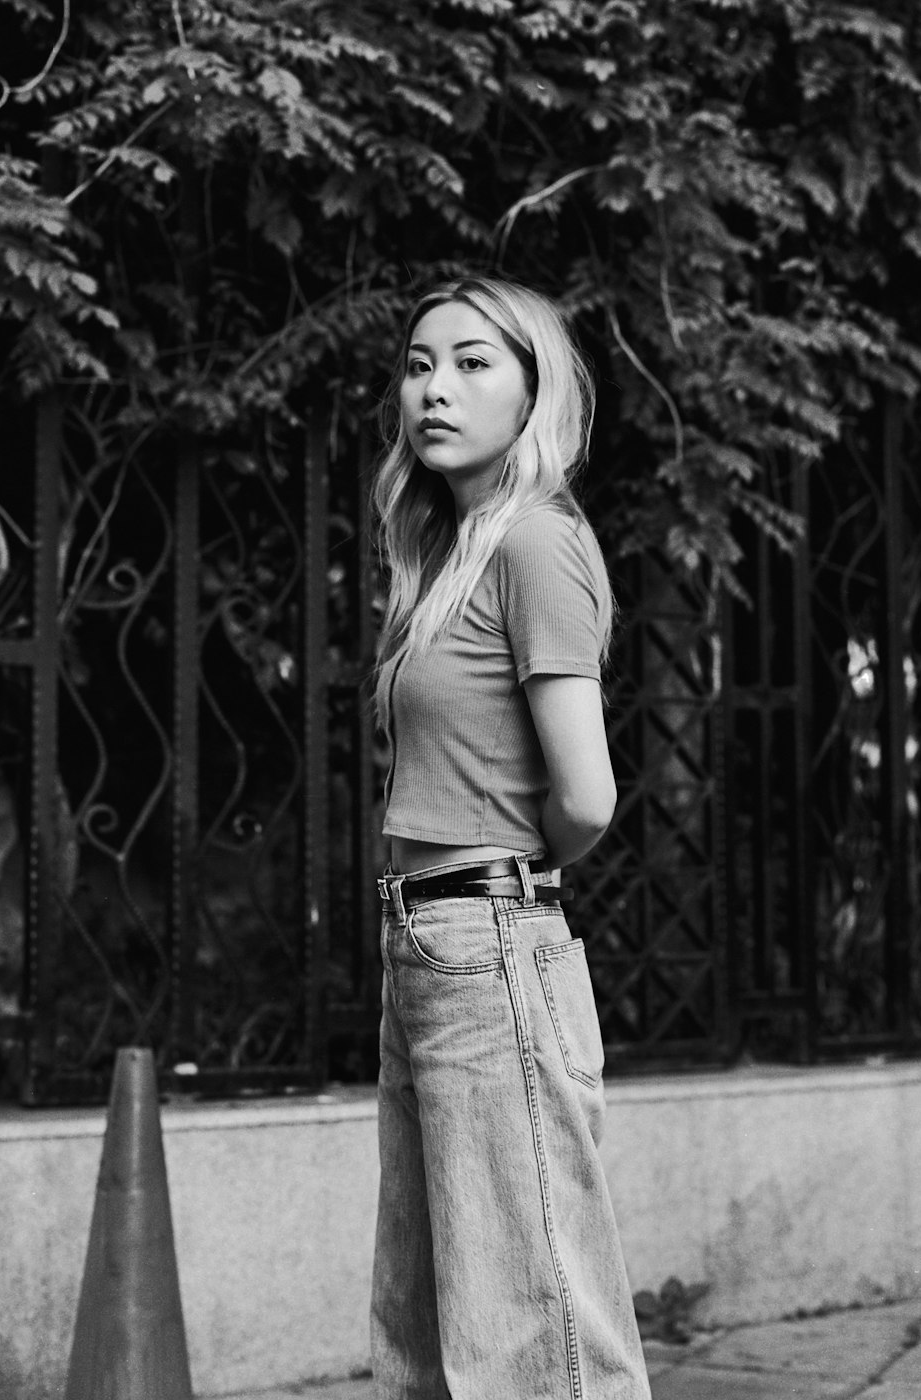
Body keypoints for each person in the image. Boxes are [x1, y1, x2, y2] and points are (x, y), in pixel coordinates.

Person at [369, 275, 650, 1400]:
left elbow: (587, 794)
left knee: (535, 1324)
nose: (435, 386)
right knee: (435, 1314)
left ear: (535, 390)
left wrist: (500, 882)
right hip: (427, 949)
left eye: (474, 361)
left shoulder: (534, 542)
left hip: (485, 940)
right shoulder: (453, 552)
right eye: (419, 361)